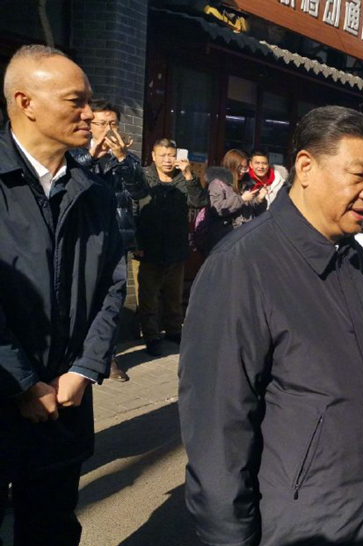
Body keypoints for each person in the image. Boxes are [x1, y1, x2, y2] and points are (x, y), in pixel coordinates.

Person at [179, 105, 363, 546]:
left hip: (331, 517)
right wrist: (234, 531)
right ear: (305, 166)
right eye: (358, 174)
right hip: (277, 531)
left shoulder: (355, 262)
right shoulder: (245, 264)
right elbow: (217, 413)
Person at [0, 45, 126, 546]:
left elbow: (112, 286)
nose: (89, 113)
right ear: (25, 102)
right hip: (7, 391)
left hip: (66, 396)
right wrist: (23, 382)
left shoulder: (93, 190)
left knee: (51, 525)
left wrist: (82, 369)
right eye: (75, 101)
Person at [73, 99, 148, 382]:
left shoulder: (127, 158)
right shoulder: (76, 153)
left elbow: (140, 192)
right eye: (101, 123)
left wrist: (122, 159)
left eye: (112, 123)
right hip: (84, 236)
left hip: (116, 236)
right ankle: (77, 355)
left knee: (113, 297)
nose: (107, 129)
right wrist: (92, 155)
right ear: (90, 125)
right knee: (82, 295)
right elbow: (70, 182)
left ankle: (108, 356)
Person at [136, 138, 203, 356]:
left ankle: (174, 331)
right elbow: (133, 208)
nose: (167, 160)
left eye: (171, 155)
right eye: (163, 155)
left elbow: (199, 202)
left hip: (175, 247)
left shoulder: (183, 178)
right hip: (149, 247)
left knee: (174, 296)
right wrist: (136, 242)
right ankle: (151, 336)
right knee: (149, 297)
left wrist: (189, 175)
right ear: (153, 156)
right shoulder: (142, 176)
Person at [196, 149, 267, 256]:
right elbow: (217, 208)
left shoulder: (247, 184)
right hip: (223, 240)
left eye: (245, 168)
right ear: (231, 166)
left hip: (244, 240)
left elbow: (257, 212)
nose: (243, 171)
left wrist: (259, 200)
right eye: (240, 167)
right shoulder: (217, 184)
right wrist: (241, 199)